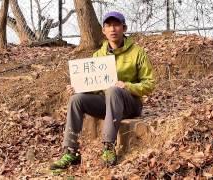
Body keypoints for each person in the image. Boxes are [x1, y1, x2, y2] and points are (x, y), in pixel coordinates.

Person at [50, 11, 155, 170]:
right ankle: (71, 152)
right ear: (103, 31)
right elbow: (93, 85)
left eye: (116, 25)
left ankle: (108, 146)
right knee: (76, 100)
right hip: (107, 103)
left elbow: (149, 84)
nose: (113, 29)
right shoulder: (98, 55)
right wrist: (78, 88)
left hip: (130, 104)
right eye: (108, 25)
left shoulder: (137, 52)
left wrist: (128, 86)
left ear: (124, 28)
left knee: (113, 90)